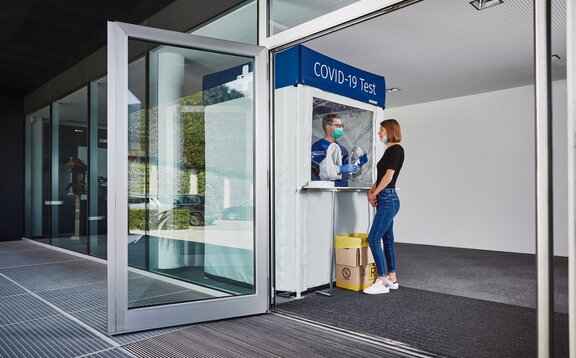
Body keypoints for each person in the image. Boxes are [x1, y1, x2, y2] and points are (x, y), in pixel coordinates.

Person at [363, 119, 404, 295]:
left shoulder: (396, 150)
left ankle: (382, 281)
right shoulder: (389, 151)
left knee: (373, 238)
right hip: (387, 198)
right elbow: (382, 177)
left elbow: (388, 178)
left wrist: (375, 193)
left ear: (389, 131)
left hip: (388, 199)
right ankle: (392, 278)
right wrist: (373, 189)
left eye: (381, 130)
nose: (379, 133)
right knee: (387, 239)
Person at [311, 114, 367, 187]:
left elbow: (351, 175)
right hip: (324, 190)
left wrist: (358, 164)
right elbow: (323, 170)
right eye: (337, 126)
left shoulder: (342, 149)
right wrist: (340, 169)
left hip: (342, 189)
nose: (340, 128)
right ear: (328, 127)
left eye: (341, 126)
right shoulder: (319, 146)